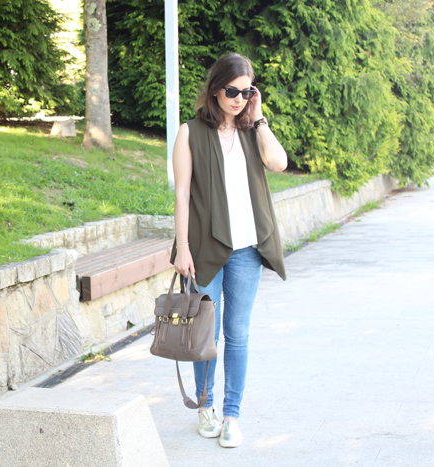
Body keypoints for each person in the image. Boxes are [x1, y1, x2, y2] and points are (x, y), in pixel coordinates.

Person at [170, 53, 287, 448]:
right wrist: (182, 248)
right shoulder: (190, 132)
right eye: (232, 91)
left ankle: (232, 415)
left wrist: (260, 117)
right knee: (206, 333)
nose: (239, 99)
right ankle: (206, 407)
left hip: (246, 250)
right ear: (215, 89)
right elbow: (182, 194)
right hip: (204, 249)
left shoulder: (253, 131)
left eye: (247, 91)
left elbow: (279, 163)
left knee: (237, 334)